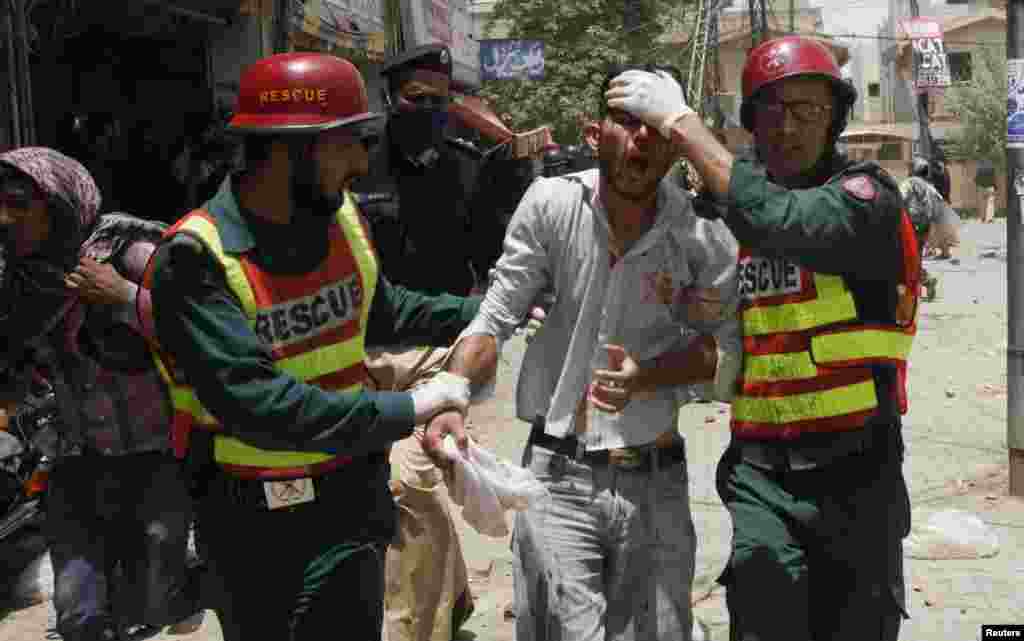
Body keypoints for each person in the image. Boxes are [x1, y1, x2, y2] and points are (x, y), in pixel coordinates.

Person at [142, 52, 484, 641]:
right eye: (349, 142)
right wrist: (412, 407)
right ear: (285, 151)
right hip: (253, 520)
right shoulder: (196, 259)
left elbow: (383, 311)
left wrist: (489, 312)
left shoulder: (340, 218)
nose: (362, 160)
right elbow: (260, 405)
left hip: (351, 497)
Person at [603, 36, 920, 640]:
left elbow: (788, 223)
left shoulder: (866, 200)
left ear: (836, 120)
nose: (790, 127)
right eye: (773, 111)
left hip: (858, 471)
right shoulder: (730, 212)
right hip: (761, 473)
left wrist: (686, 125)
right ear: (751, 123)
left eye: (809, 110)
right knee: (761, 601)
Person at [420, 62, 742, 641]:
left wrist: (649, 375)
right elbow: (496, 315)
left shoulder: (702, 235)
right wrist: (451, 394)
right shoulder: (550, 204)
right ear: (596, 132)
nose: (641, 139)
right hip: (556, 480)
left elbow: (723, 355)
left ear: (678, 146)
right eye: (626, 122)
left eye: (658, 128)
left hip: (655, 482)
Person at [0, 147, 203, 641]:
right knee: (79, 613)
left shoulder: (125, 253)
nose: (4, 217)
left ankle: (190, 581)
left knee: (154, 601)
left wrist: (124, 297)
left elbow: (208, 328)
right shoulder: (18, 279)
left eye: (18, 202)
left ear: (60, 202)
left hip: (157, 456)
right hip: (75, 460)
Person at [355, 44, 502, 296]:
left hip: (449, 323)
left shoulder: (468, 168)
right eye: (416, 98)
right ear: (387, 98)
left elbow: (489, 257)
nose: (427, 107)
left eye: (438, 100)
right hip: (380, 324)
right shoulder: (356, 161)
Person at [900, 155, 956, 300]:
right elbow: (940, 203)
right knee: (914, 258)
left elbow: (899, 198)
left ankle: (921, 283)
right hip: (924, 228)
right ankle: (922, 283)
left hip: (909, 227)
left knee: (905, 259)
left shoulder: (909, 183)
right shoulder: (929, 186)